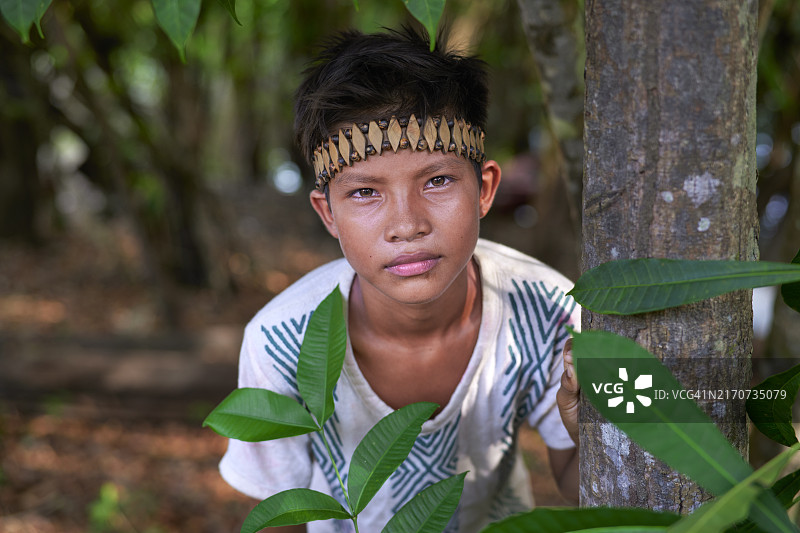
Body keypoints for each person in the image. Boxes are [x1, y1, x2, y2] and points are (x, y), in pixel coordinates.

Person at [218, 26, 580, 533]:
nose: (407, 225)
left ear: (484, 189)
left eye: (437, 181)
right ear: (329, 214)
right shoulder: (282, 343)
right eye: (365, 192)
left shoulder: (550, 312)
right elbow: (282, 510)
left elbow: (576, 475)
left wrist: (592, 431)